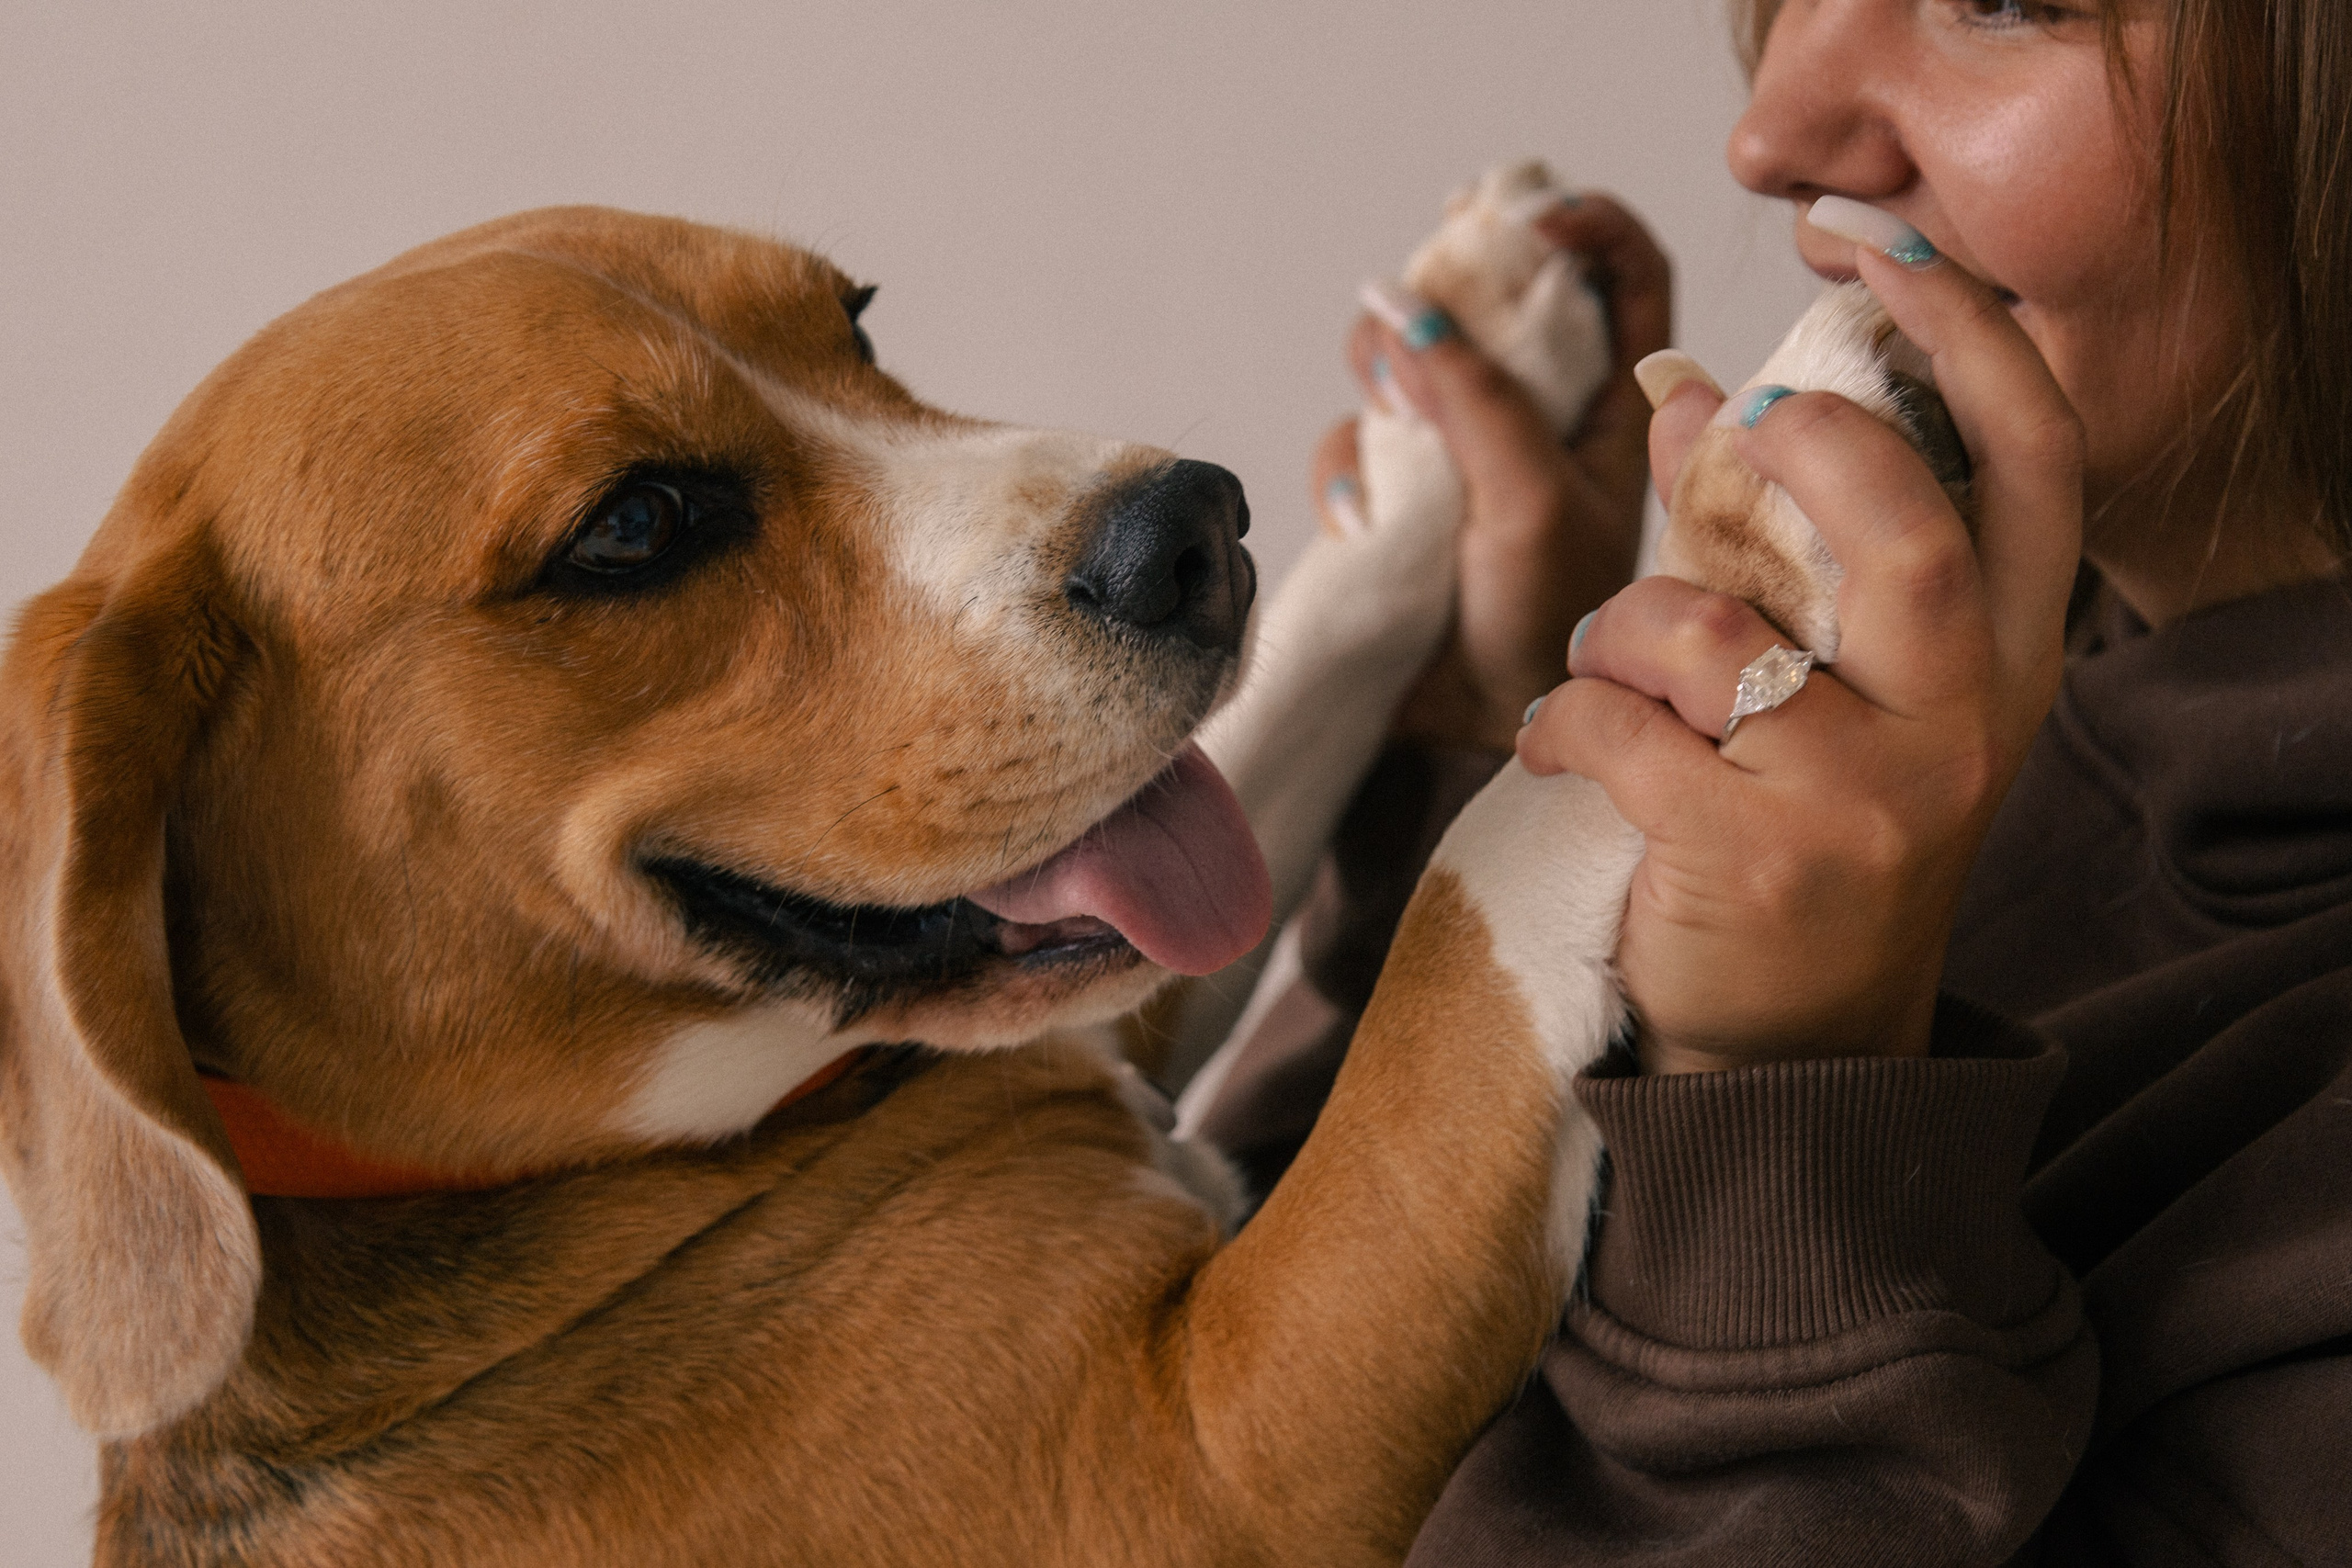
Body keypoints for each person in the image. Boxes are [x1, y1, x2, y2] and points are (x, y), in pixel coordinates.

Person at [1193, 0, 2352, 1561]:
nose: (1771, 143)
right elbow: (1218, 1437)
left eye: (2003, 2)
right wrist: (1516, 800)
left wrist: (1781, 1107)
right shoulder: (1891, 705)